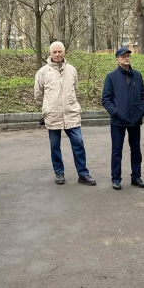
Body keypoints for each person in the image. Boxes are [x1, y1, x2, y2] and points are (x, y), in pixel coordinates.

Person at [34, 41, 96, 186]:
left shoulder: (72, 70)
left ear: (64, 53)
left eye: (59, 51)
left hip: (71, 113)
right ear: (50, 54)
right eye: (54, 52)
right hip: (53, 115)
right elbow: (38, 94)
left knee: (78, 143)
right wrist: (49, 105)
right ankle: (59, 173)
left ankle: (83, 174)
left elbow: (75, 88)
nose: (57, 54)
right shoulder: (43, 72)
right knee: (55, 145)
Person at [101, 47, 144, 191]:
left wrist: (141, 111)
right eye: (123, 56)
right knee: (117, 150)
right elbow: (106, 99)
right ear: (117, 59)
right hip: (118, 120)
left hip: (135, 119)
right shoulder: (111, 77)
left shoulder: (137, 76)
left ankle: (136, 177)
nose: (126, 58)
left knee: (136, 150)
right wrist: (115, 112)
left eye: (128, 56)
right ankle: (116, 179)